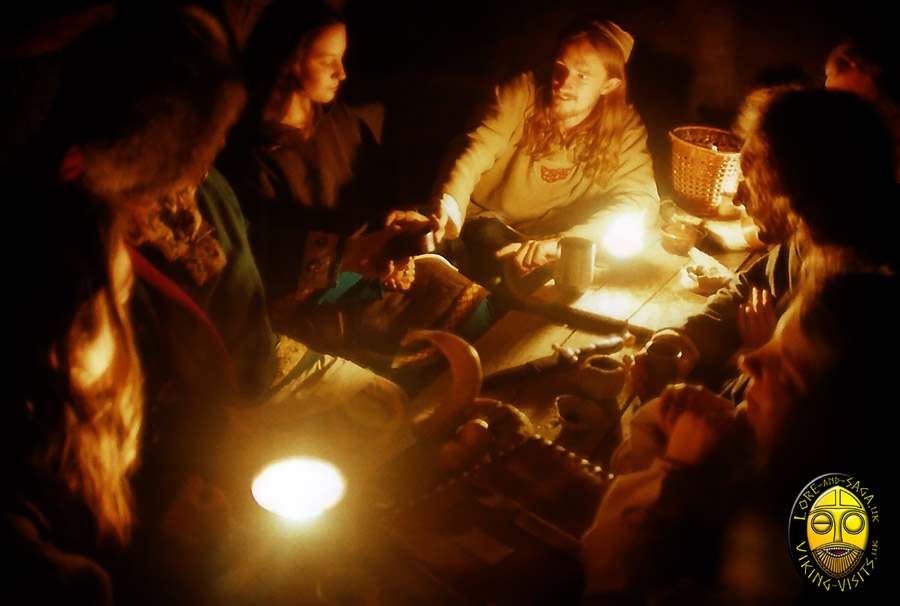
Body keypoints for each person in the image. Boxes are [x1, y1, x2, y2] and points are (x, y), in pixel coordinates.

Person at [581, 271, 892, 604]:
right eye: (771, 339)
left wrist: (678, 472)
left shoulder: (822, 541)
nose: (748, 360)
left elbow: (615, 590)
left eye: (786, 374)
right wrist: (701, 440)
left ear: (838, 434)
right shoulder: (775, 452)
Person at [220, 0, 491, 374]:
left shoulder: (339, 119)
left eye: (342, 58)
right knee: (422, 335)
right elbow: (263, 252)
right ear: (286, 60)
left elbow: (378, 184)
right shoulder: (250, 152)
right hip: (308, 288)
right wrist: (357, 256)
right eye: (326, 61)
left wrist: (392, 220)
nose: (342, 73)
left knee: (466, 299)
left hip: (369, 258)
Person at [627, 87, 898, 414]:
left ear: (790, 186)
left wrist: (749, 354)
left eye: (751, 178)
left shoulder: (855, 303)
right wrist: (682, 343)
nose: (738, 198)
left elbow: (769, 431)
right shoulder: (811, 237)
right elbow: (749, 287)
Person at [428, 15, 659, 284]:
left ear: (609, 85)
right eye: (561, 67)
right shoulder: (521, 95)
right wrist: (448, 204)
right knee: (505, 276)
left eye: (582, 75)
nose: (563, 83)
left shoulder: (624, 127)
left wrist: (564, 244)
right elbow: (474, 147)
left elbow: (639, 201)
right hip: (490, 220)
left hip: (557, 233)